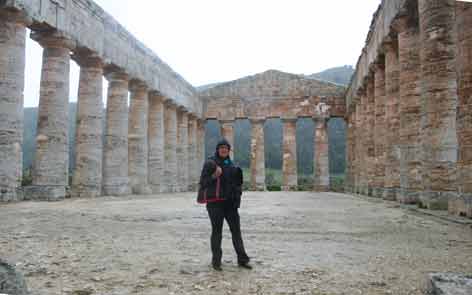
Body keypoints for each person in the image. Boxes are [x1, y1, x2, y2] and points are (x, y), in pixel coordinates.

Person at [198, 138, 252, 271]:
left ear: (229, 150)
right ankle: (216, 262)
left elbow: (237, 185)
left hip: (230, 205)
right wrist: (214, 176)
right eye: (221, 147)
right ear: (217, 149)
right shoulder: (210, 163)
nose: (223, 150)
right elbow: (203, 183)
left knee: (236, 232)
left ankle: (243, 260)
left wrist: (237, 197)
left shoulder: (231, 165)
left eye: (226, 148)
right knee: (217, 232)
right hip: (215, 204)